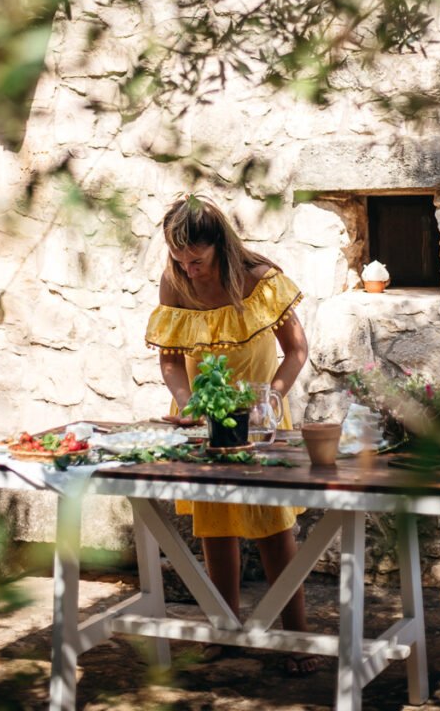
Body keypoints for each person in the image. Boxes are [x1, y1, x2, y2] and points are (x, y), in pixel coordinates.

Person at [145, 194, 318, 676]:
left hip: (262, 423)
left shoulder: (261, 279)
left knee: (272, 525)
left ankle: (296, 635)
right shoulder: (175, 283)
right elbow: (170, 360)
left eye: (196, 258)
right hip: (204, 417)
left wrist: (271, 400)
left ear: (219, 245)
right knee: (215, 525)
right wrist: (185, 401)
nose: (188, 267)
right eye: (178, 258)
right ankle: (226, 632)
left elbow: (296, 351)